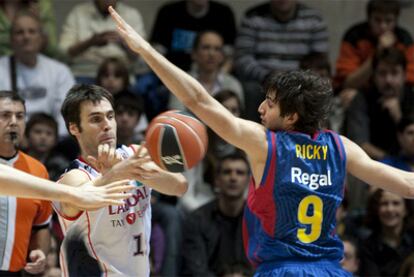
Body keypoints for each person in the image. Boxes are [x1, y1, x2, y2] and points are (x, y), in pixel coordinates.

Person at [110, 7, 414, 275]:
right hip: (329, 271)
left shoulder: (265, 144)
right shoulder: (340, 147)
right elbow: (407, 184)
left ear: (292, 116)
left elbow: (198, 100)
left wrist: (145, 50)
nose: (260, 108)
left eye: (269, 102)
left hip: (280, 269)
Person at [55, 84, 188, 276]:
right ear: (74, 128)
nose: (107, 125)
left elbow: (179, 185)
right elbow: (78, 199)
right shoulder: (74, 176)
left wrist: (132, 171)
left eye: (110, 116)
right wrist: (116, 173)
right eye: (96, 119)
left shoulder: (134, 155)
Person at [0, 10, 75, 137]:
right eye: (20, 32)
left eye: (32, 31)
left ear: (41, 38)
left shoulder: (60, 72)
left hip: (51, 141)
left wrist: (48, 137)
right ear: (11, 39)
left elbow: (68, 114)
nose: (26, 37)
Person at [181, 151, 253, 276]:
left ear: (248, 180)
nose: (233, 178)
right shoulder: (197, 219)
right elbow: (195, 270)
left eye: (240, 173)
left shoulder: (259, 220)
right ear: (217, 180)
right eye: (227, 172)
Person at [59, 0, 146, 83]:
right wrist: (90, 42)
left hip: (121, 75)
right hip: (87, 73)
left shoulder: (132, 14)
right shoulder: (78, 12)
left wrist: (123, 43)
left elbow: (143, 56)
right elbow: (63, 53)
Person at [335, 0, 414, 90]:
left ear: (396, 21)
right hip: (363, 90)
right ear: (369, 19)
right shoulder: (354, 36)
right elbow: (348, 83)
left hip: (394, 92)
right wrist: (377, 53)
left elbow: (410, 80)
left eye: (388, 21)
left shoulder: (404, 39)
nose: (383, 26)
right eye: (377, 20)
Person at [359, 189, 414, 276]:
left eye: (396, 203)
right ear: (376, 209)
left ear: (406, 209)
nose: (390, 209)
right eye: (384, 204)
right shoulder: (368, 247)